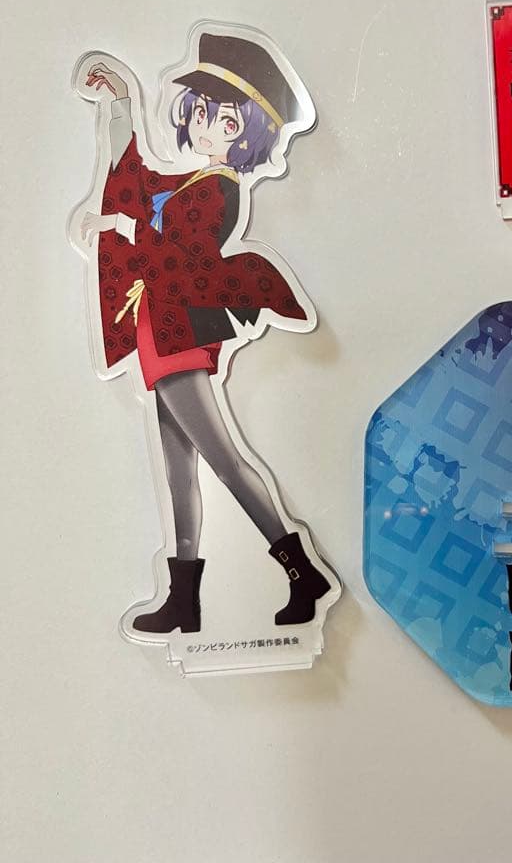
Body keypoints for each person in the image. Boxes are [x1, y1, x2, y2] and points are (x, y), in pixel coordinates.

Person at [77, 32, 332, 634]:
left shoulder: (221, 189)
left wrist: (120, 225)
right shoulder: (183, 181)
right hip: (154, 329)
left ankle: (303, 573)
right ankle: (184, 602)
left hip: (178, 333)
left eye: (226, 120)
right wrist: (119, 103)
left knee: (224, 461)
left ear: (246, 136)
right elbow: (132, 177)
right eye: (201, 112)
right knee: (178, 470)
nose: (206, 125)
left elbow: (179, 254)